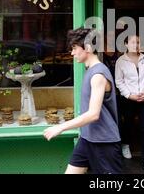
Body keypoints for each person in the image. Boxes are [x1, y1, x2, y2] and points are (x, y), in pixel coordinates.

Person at [43, 28, 122, 174]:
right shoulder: (90, 71)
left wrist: (60, 127)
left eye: (74, 48)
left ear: (88, 48)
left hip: (104, 143)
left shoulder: (98, 75)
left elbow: (93, 114)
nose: (72, 53)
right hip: (87, 138)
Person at [115, 35, 144, 173]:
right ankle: (125, 144)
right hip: (128, 99)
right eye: (132, 42)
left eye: (138, 42)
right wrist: (130, 95)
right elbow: (119, 81)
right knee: (128, 123)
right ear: (126, 44)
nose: (136, 45)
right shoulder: (121, 61)